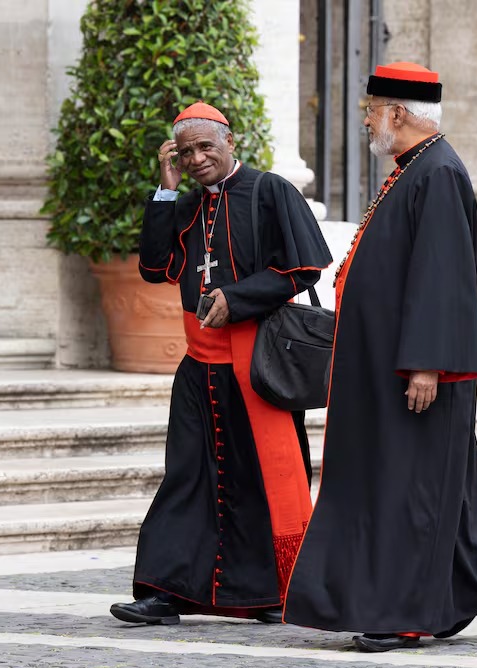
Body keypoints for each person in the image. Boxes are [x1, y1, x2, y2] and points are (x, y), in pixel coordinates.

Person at [283, 62, 477, 652]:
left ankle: (404, 613)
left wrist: (427, 363)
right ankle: (451, 594)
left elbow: (442, 278)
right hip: (381, 369)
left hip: (413, 373)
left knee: (408, 491)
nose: (366, 120)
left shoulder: (436, 172)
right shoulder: (412, 170)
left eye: (371, 110)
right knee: (401, 485)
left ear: (400, 114)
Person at [108, 101, 332, 626]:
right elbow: (154, 267)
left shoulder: (271, 189)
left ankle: (276, 590)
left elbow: (304, 268)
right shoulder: (185, 204)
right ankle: (167, 592)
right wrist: (164, 191)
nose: (196, 158)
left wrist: (240, 297)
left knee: (261, 478)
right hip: (199, 364)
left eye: (206, 146)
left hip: (258, 362)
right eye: (185, 152)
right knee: (187, 476)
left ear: (231, 143)